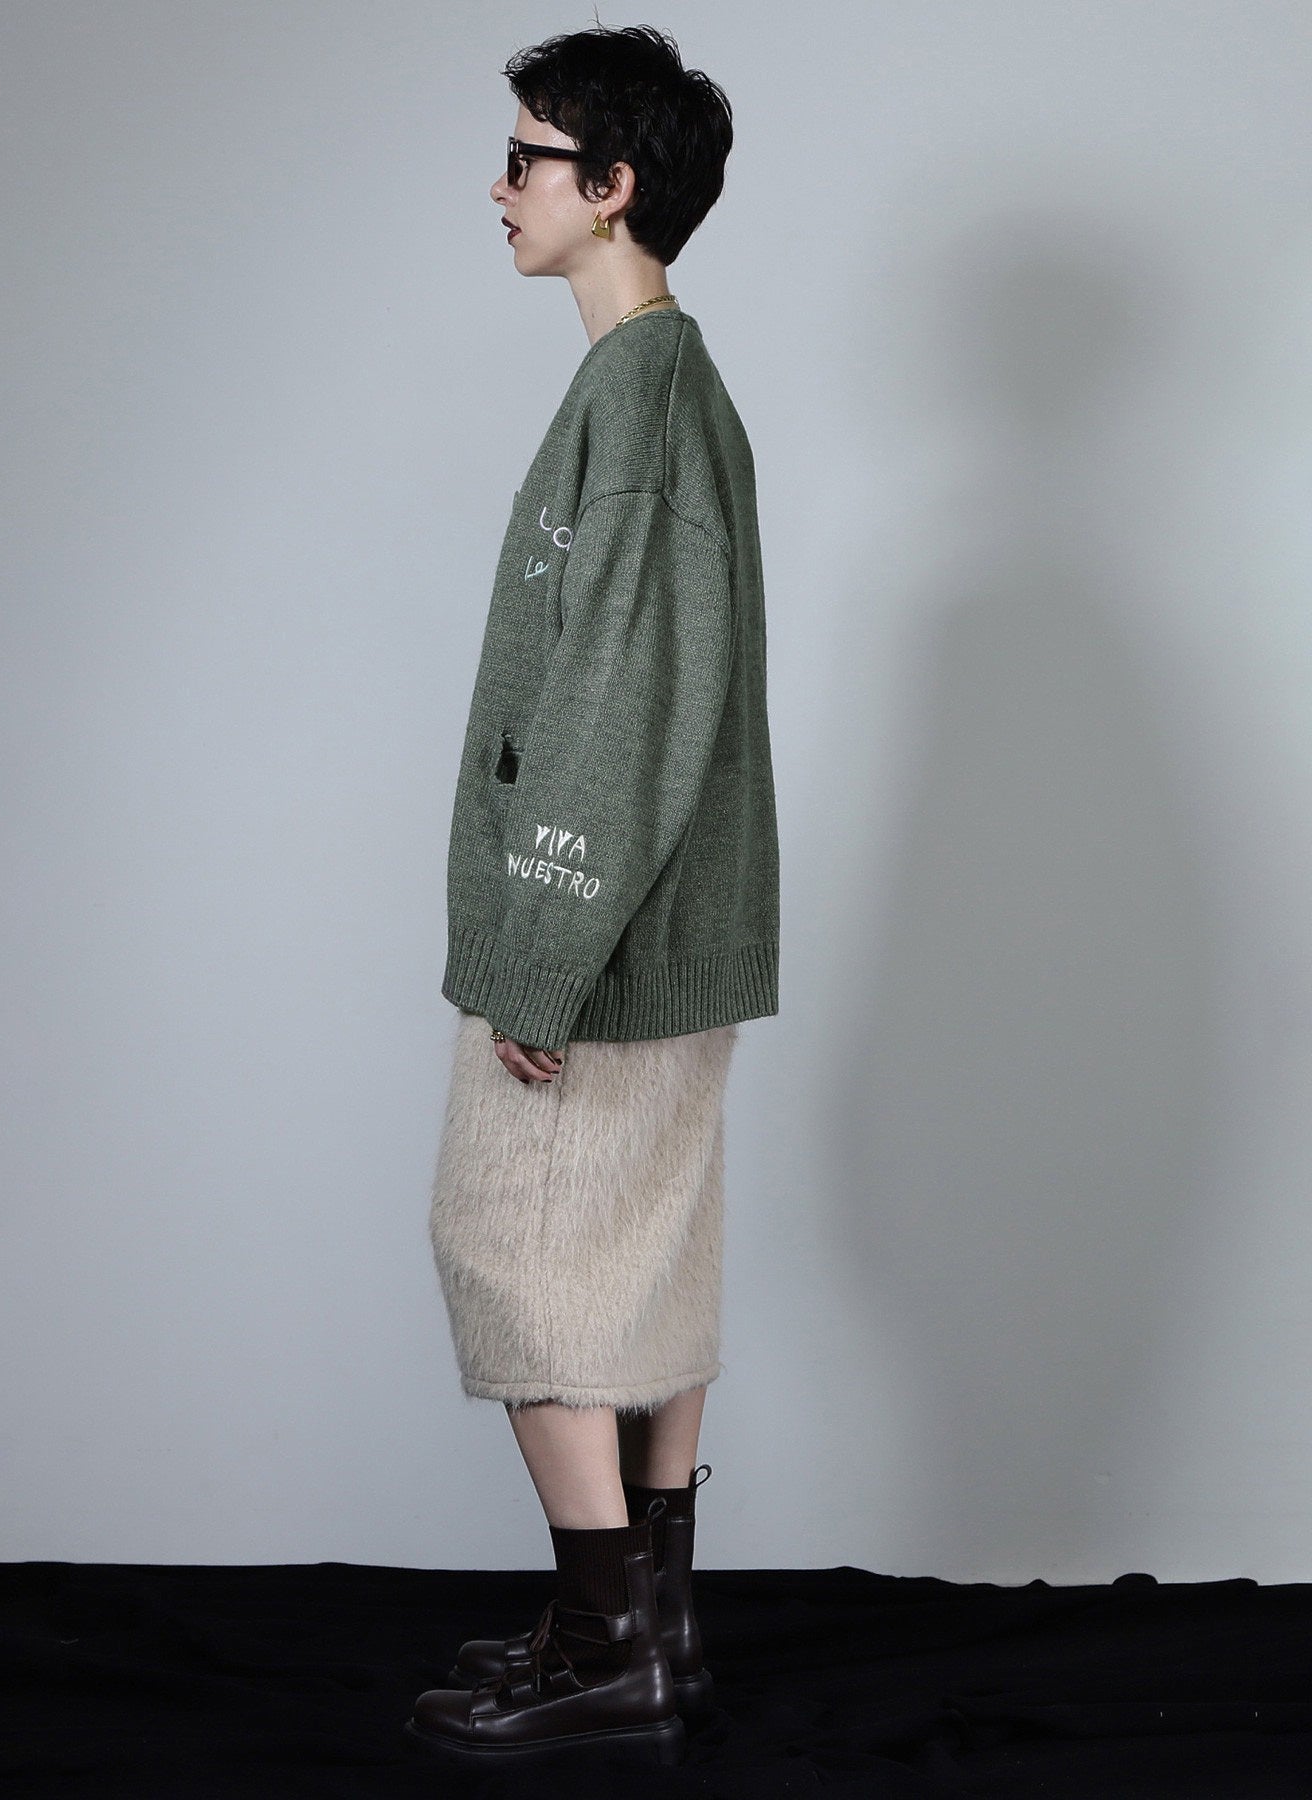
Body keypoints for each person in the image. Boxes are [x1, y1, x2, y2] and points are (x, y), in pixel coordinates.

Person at [406, 24, 780, 1768]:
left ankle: (601, 1638)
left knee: (520, 1252)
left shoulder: (639, 396)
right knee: (646, 1263)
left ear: (611, 187)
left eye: (527, 158)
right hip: (681, 920)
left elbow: (621, 699)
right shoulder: (671, 387)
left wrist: (539, 959)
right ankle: (659, 1633)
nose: (499, 187)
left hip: (604, 935)